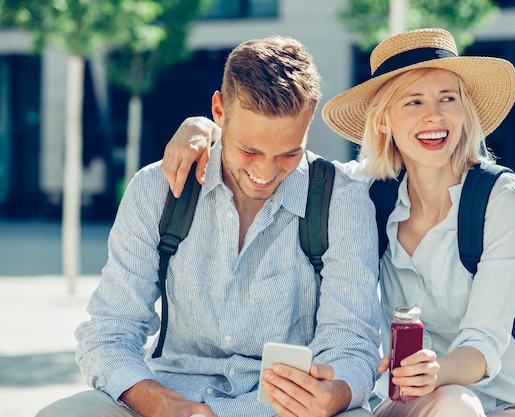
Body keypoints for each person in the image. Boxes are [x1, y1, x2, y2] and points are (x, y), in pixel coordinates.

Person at [161, 28, 515, 417]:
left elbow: (484, 342)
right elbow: (281, 159)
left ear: (464, 109)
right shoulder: (366, 189)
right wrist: (204, 129)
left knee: (459, 404)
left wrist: (433, 371)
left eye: (447, 98)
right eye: (414, 102)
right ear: (384, 119)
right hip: (411, 397)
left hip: (509, 396)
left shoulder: (503, 197)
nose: (435, 116)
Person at [36, 35, 382, 417]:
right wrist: (160, 403)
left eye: (288, 153)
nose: (265, 173)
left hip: (281, 410)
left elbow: (352, 346)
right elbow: (109, 333)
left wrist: (335, 392)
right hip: (172, 395)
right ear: (219, 111)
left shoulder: (341, 199)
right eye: (249, 151)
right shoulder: (158, 189)